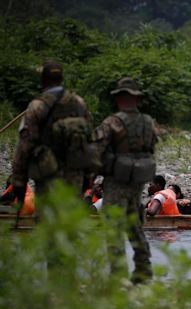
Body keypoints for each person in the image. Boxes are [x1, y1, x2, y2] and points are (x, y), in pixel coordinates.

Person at [91, 77, 158, 284]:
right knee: (135, 224)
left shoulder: (112, 123)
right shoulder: (148, 123)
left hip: (116, 182)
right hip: (137, 182)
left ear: (120, 98)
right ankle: (143, 270)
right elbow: (151, 149)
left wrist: (89, 179)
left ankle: (118, 274)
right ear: (137, 99)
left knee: (114, 227)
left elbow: (96, 153)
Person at [10, 60, 94, 206]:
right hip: (75, 175)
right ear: (61, 79)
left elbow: (25, 146)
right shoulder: (79, 103)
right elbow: (89, 140)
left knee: (48, 220)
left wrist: (18, 180)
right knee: (71, 222)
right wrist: (88, 175)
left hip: (48, 176)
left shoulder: (37, 106)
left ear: (43, 80)